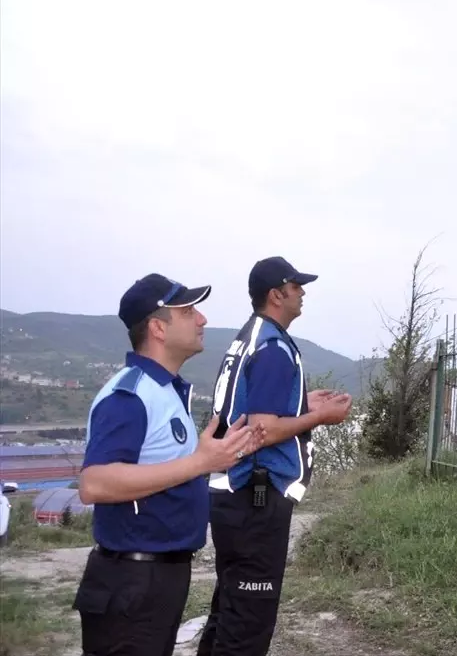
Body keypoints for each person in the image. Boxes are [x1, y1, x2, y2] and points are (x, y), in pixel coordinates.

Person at [72, 273, 264, 656]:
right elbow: (94, 483)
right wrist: (199, 463)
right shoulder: (130, 396)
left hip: (158, 577)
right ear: (158, 328)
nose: (203, 319)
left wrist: (215, 457)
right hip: (131, 582)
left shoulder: (164, 390)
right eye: (189, 311)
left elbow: (174, 467)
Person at [199, 256, 352, 656]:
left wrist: (303, 402)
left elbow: (255, 409)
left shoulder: (251, 337)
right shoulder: (273, 348)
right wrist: (320, 415)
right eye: (296, 285)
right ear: (276, 294)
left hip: (236, 496)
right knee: (247, 625)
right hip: (255, 497)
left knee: (230, 610)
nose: (303, 293)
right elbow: (261, 431)